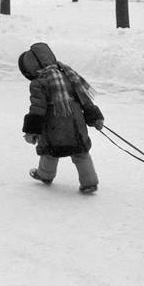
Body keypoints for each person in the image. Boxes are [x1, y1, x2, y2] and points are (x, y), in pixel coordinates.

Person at [19, 42, 105, 194]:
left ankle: (45, 175)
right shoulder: (68, 73)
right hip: (76, 123)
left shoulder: (38, 83)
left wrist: (32, 131)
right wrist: (94, 116)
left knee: (50, 151)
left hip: (53, 125)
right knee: (80, 152)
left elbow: (38, 109)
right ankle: (89, 182)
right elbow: (83, 98)